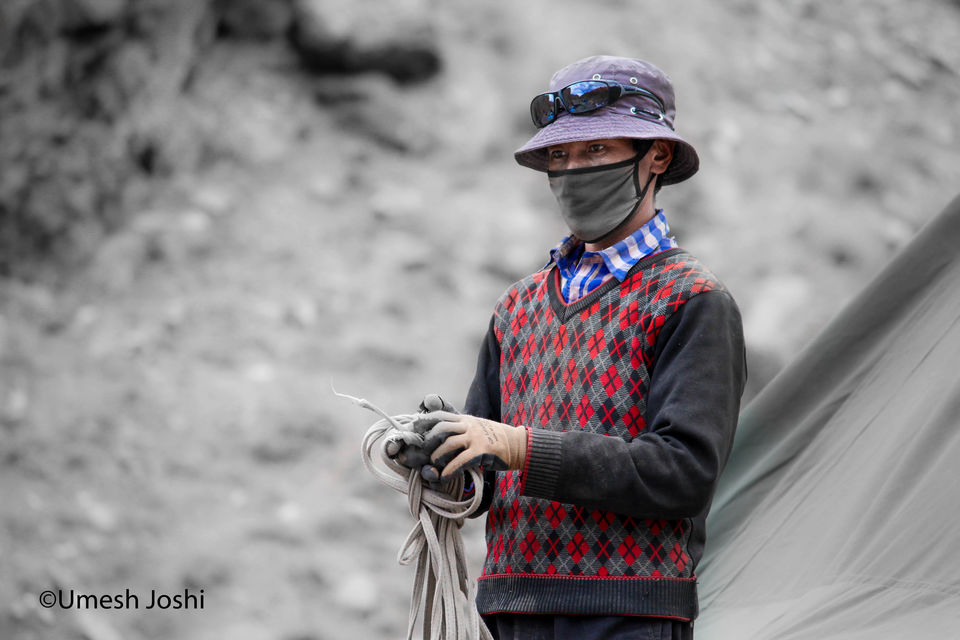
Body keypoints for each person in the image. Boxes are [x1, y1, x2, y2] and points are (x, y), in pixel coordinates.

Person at [404, 55, 747, 640]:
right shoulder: (518, 306)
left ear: (655, 157)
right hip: (510, 610)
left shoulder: (693, 301)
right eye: (559, 156)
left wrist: (520, 447)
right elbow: (488, 470)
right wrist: (446, 464)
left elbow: (683, 473)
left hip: (629, 615)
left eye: (595, 152)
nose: (570, 171)